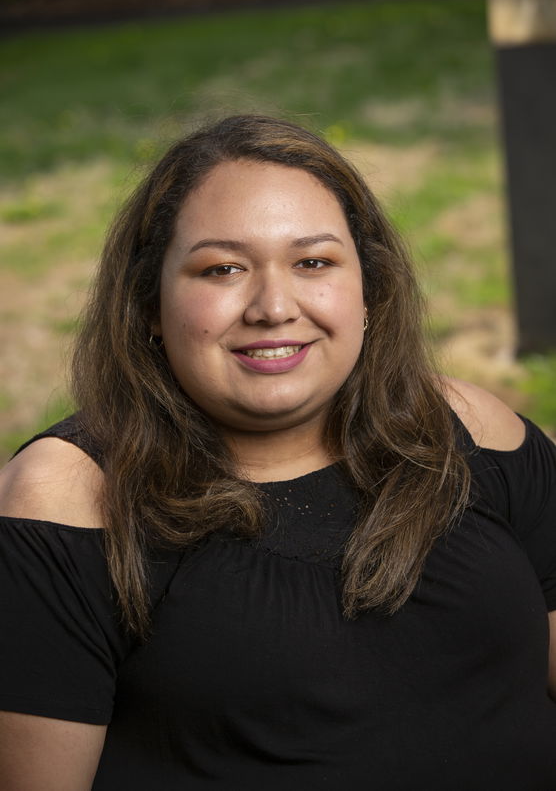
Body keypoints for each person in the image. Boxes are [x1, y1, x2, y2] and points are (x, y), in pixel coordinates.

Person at [0, 114, 555, 791]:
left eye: (313, 262)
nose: (272, 306)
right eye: (222, 268)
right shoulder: (69, 500)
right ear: (149, 304)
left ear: (369, 291)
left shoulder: (464, 430)